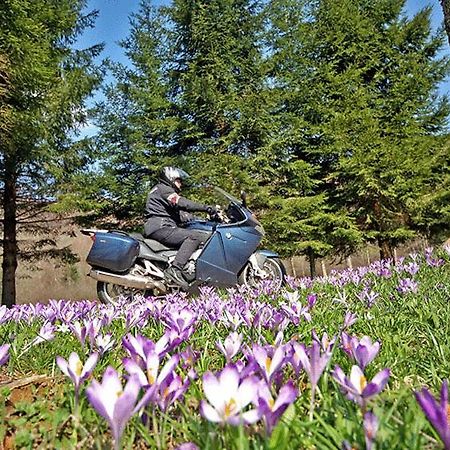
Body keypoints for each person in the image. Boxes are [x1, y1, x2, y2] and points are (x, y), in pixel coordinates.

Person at [144, 166, 217, 288]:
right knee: (194, 237)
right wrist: (207, 208)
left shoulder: (161, 193)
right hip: (160, 227)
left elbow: (181, 215)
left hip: (161, 226)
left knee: (196, 234)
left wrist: (203, 220)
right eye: (178, 180)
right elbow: (183, 203)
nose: (180, 184)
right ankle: (175, 270)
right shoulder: (163, 189)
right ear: (170, 178)